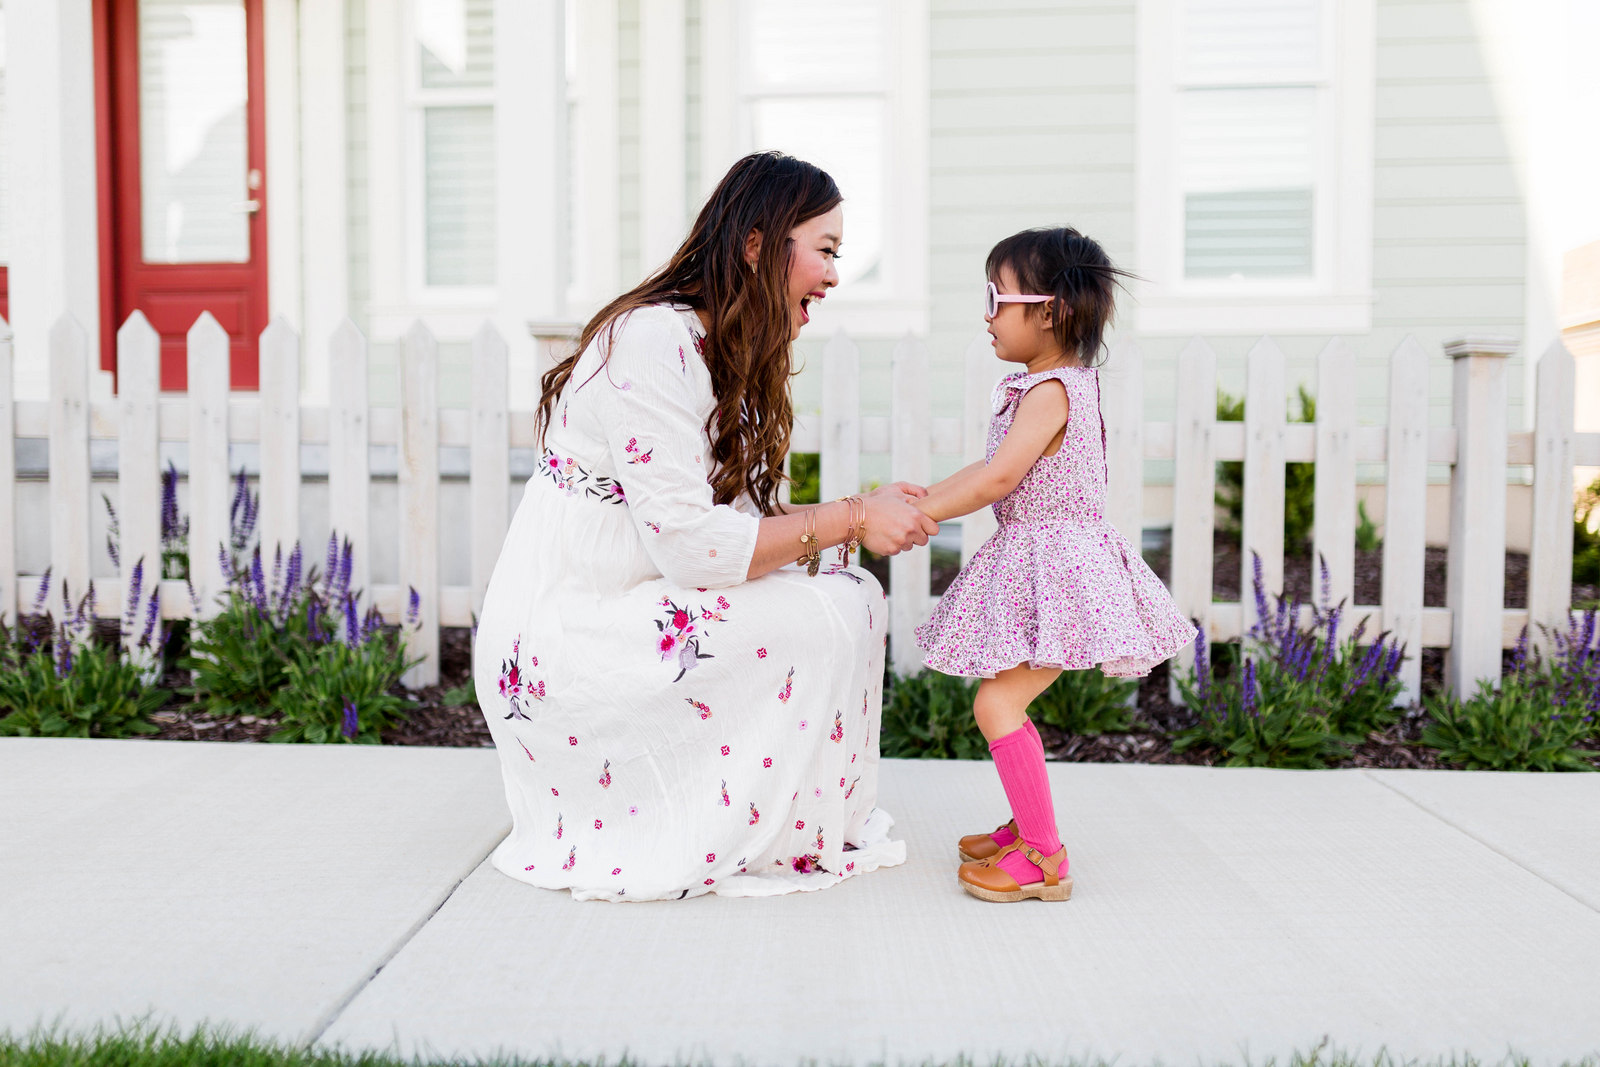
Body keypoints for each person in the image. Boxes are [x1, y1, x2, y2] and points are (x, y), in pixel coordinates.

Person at [472, 151, 939, 902]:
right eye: (825, 249)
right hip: (570, 635)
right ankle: (711, 823)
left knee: (852, 594)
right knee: (821, 611)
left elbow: (737, 525)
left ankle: (791, 828)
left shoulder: (725, 348)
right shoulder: (651, 341)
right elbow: (696, 549)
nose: (833, 274)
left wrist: (864, 515)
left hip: (635, 598)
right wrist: (850, 515)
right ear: (757, 244)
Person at [912, 227, 1197, 903]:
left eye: (997, 297)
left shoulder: (1050, 392)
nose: (987, 313)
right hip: (1047, 558)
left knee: (997, 701)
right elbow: (987, 471)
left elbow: (996, 478)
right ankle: (1028, 825)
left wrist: (925, 515)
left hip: (1061, 566)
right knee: (1003, 696)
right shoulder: (1046, 385)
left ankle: (1043, 856)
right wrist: (925, 496)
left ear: (1051, 310)